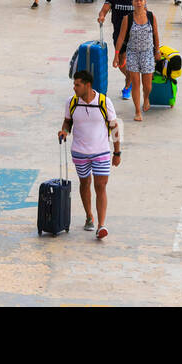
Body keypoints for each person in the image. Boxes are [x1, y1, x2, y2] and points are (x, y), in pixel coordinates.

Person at [58, 70, 119, 239]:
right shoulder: (71, 102)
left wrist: (117, 152)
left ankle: (101, 225)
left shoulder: (104, 102)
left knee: (100, 186)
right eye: (74, 84)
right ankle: (89, 216)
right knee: (85, 184)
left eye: (77, 85)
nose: (74, 88)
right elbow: (68, 121)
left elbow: (114, 127)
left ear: (88, 85)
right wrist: (64, 131)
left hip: (101, 152)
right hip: (79, 153)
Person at [115, 0, 160, 120]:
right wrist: (117, 55)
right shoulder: (127, 18)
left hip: (147, 53)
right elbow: (121, 38)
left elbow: (156, 35)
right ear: (133, 3)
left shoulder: (151, 16)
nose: (139, 3)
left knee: (147, 85)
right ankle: (137, 111)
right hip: (132, 53)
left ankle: (146, 98)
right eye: (136, 0)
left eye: (141, 0)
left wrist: (157, 51)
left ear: (144, 2)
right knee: (135, 83)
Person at [98, 0, 138, 101]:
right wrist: (102, 16)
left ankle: (127, 86)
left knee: (130, 62)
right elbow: (104, 9)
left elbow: (144, 12)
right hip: (118, 34)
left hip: (134, 34)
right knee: (121, 63)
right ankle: (132, 78)